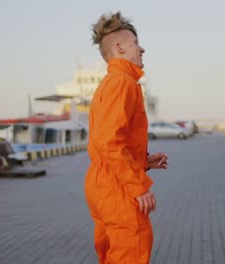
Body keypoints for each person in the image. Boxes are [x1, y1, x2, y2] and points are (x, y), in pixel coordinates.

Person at [84, 11, 169, 264]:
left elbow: (108, 139)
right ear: (120, 47)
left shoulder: (109, 83)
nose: (142, 49)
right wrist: (138, 187)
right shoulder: (123, 82)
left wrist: (142, 161)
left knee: (111, 256)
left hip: (102, 184)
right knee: (131, 251)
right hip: (117, 189)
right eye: (135, 43)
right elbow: (109, 142)